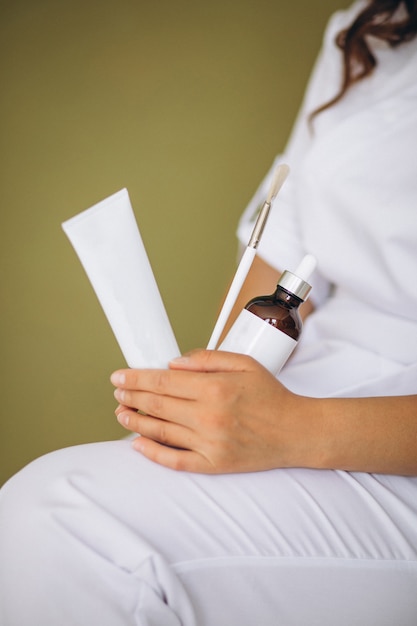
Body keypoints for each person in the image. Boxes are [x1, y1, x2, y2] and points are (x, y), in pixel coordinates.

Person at [1, 0, 417, 624]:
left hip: (377, 436)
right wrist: (210, 401)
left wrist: (290, 429)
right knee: (46, 507)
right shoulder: (370, 31)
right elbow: (280, 246)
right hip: (303, 385)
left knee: (63, 520)